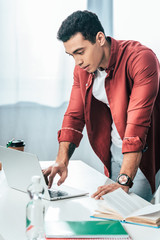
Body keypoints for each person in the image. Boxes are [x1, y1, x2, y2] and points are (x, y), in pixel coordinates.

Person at [43, 10, 160, 201]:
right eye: (71, 55)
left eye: (80, 52)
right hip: (114, 150)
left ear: (99, 38)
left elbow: (137, 126)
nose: (78, 61)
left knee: (132, 217)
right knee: (111, 214)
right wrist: (61, 161)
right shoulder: (83, 68)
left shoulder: (141, 59)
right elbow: (74, 116)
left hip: (142, 154)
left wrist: (123, 180)